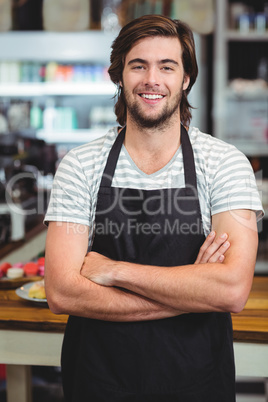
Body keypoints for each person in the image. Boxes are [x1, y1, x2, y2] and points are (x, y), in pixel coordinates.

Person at [44, 15, 263, 402]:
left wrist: (112, 270)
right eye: (138, 65)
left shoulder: (225, 163)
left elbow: (230, 291)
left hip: (197, 383)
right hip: (98, 382)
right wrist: (192, 290)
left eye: (167, 66)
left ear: (186, 79)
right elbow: (62, 292)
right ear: (119, 75)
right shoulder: (80, 166)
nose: (152, 79)